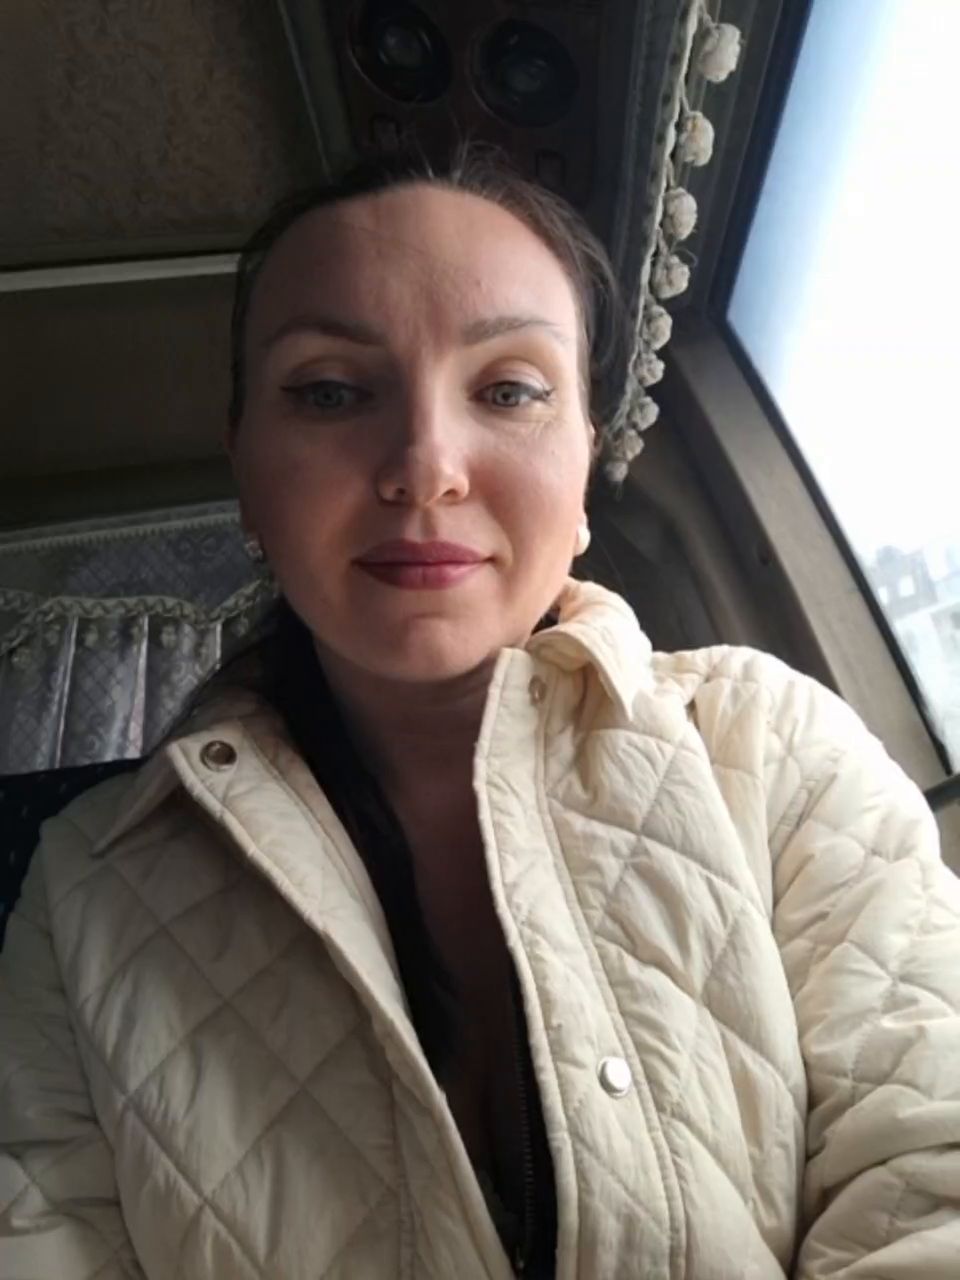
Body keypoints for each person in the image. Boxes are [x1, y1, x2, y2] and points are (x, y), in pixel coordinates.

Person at [2, 145, 959, 1280]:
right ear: (247, 474)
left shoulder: (775, 745)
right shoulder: (83, 889)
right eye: (329, 391)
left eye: (508, 390)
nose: (425, 466)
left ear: (586, 464)